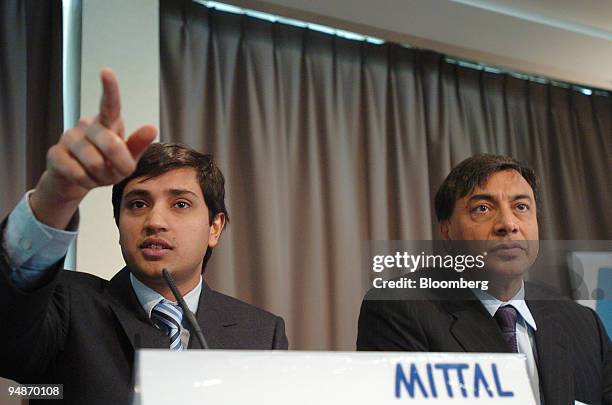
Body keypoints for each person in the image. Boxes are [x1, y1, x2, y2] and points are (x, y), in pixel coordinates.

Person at [0, 69, 288, 405]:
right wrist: (56, 196)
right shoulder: (65, 305)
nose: (155, 221)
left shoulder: (261, 333)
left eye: (180, 204)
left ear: (215, 227)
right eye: (138, 204)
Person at [357, 154, 611, 405]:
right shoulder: (400, 308)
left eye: (521, 207)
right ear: (447, 231)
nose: (508, 224)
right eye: (483, 208)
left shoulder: (582, 321)